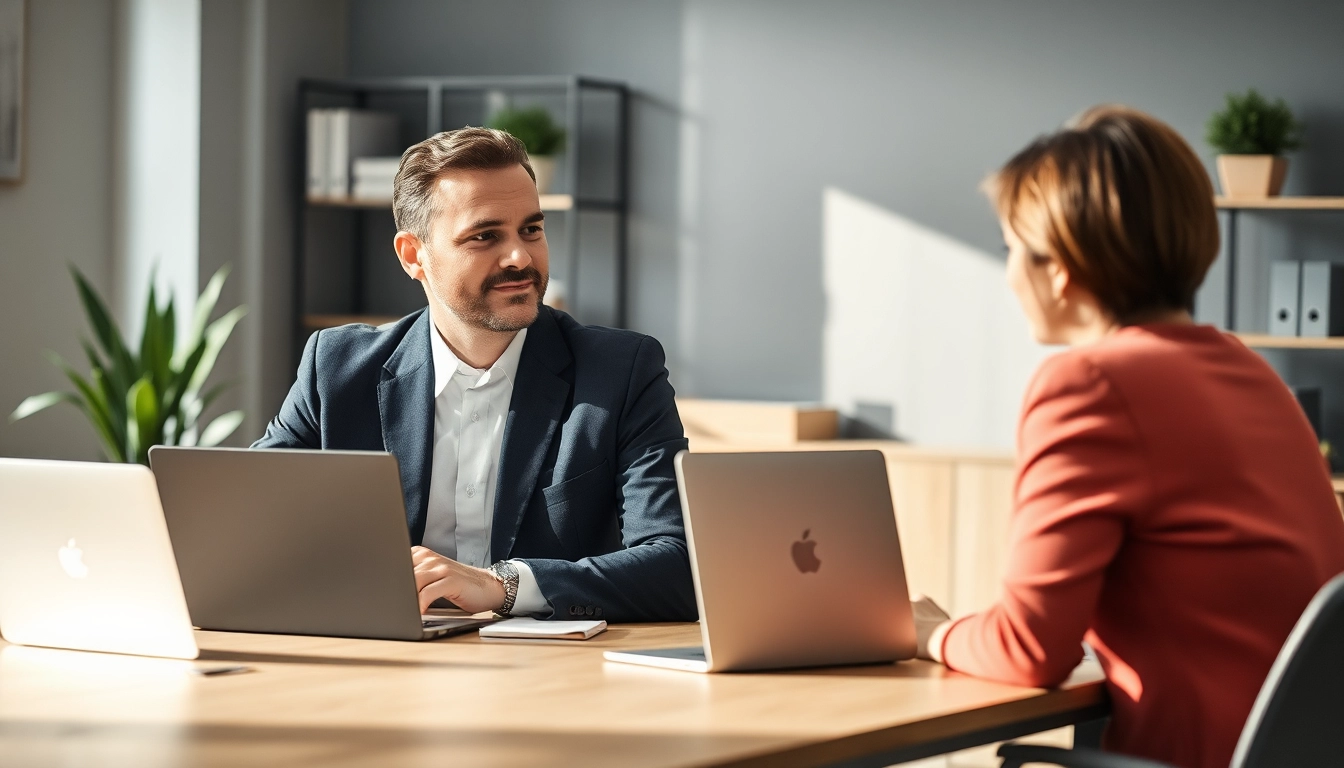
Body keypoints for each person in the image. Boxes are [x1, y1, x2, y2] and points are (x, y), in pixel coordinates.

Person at [912, 106, 1344, 768]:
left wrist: (932, 633)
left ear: (1058, 268)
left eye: (1011, 250)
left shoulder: (1090, 383)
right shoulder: (1252, 374)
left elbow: (1029, 652)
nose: (1008, 277)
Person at [254, 127, 696, 623]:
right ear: (412, 255)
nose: (521, 258)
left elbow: (677, 565)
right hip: (384, 663)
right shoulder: (335, 369)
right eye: (485, 236)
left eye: (531, 229)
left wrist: (501, 586)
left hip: (552, 676)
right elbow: (245, 526)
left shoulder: (621, 371)